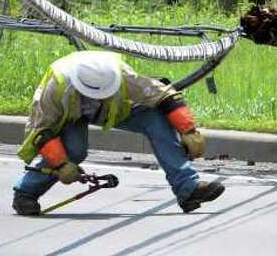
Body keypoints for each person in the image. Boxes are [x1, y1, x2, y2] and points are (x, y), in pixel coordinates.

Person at [12, 50, 224, 216]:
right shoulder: (55, 88)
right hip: (70, 115)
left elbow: (164, 96)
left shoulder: (121, 74)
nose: (97, 96)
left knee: (156, 118)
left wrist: (188, 130)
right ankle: (25, 193)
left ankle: (188, 188)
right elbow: (41, 131)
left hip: (111, 110)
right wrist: (60, 165)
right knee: (74, 153)